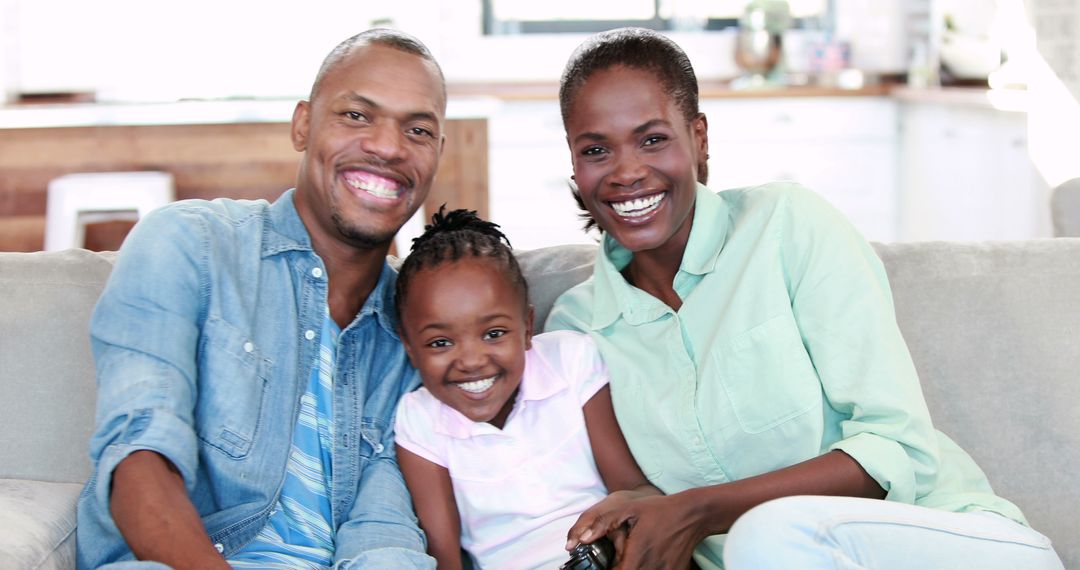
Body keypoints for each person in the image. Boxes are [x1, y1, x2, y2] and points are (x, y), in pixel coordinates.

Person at [546, 27, 1065, 570]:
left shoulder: (787, 227)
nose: (626, 170)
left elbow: (897, 445)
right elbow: (631, 505)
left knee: (770, 535)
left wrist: (698, 511)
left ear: (698, 138)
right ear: (575, 165)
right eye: (596, 150)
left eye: (653, 138)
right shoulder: (576, 332)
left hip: (946, 537)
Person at [77, 29, 446, 569]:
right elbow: (139, 455)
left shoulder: (422, 328)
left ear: (436, 152)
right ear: (303, 124)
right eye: (357, 115)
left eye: (417, 129)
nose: (388, 146)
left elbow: (383, 524)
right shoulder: (191, 246)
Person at [392, 207, 659, 569]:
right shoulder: (419, 418)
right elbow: (444, 557)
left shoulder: (570, 359)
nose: (471, 360)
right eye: (440, 343)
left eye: (494, 334)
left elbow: (631, 489)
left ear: (528, 327)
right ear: (410, 348)